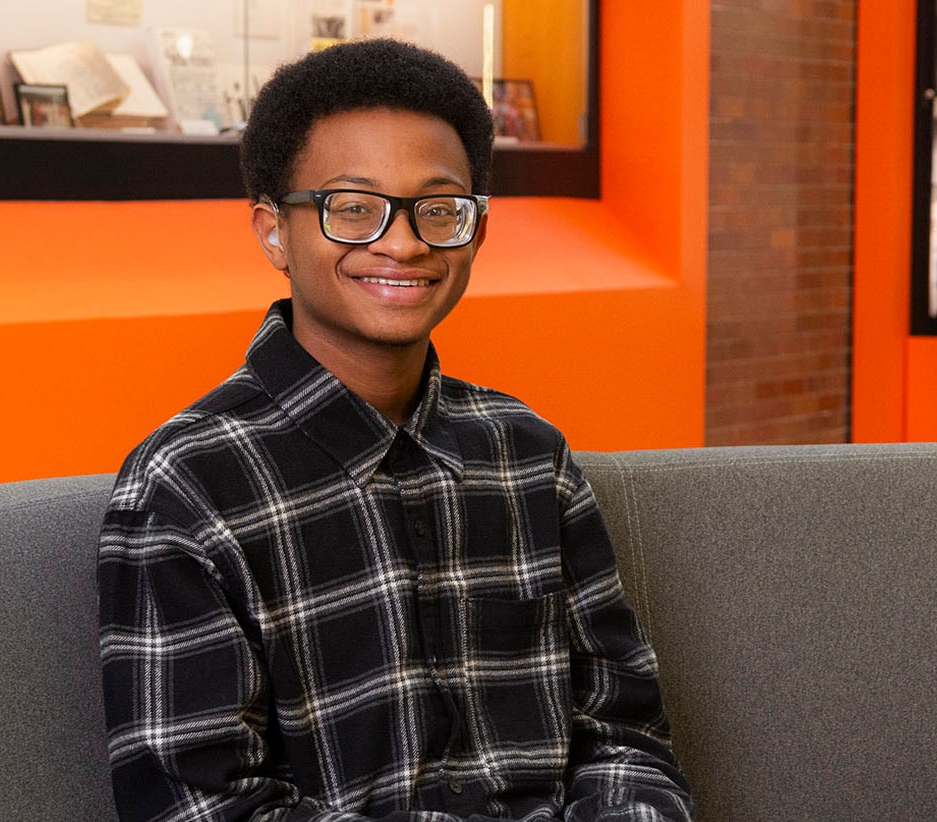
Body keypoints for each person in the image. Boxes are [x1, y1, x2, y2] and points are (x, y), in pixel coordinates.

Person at [97, 38, 693, 821]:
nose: (404, 243)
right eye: (353, 208)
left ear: (477, 230)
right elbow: (200, 810)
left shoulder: (530, 456)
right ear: (274, 231)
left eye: (439, 209)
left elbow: (625, 738)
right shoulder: (186, 486)